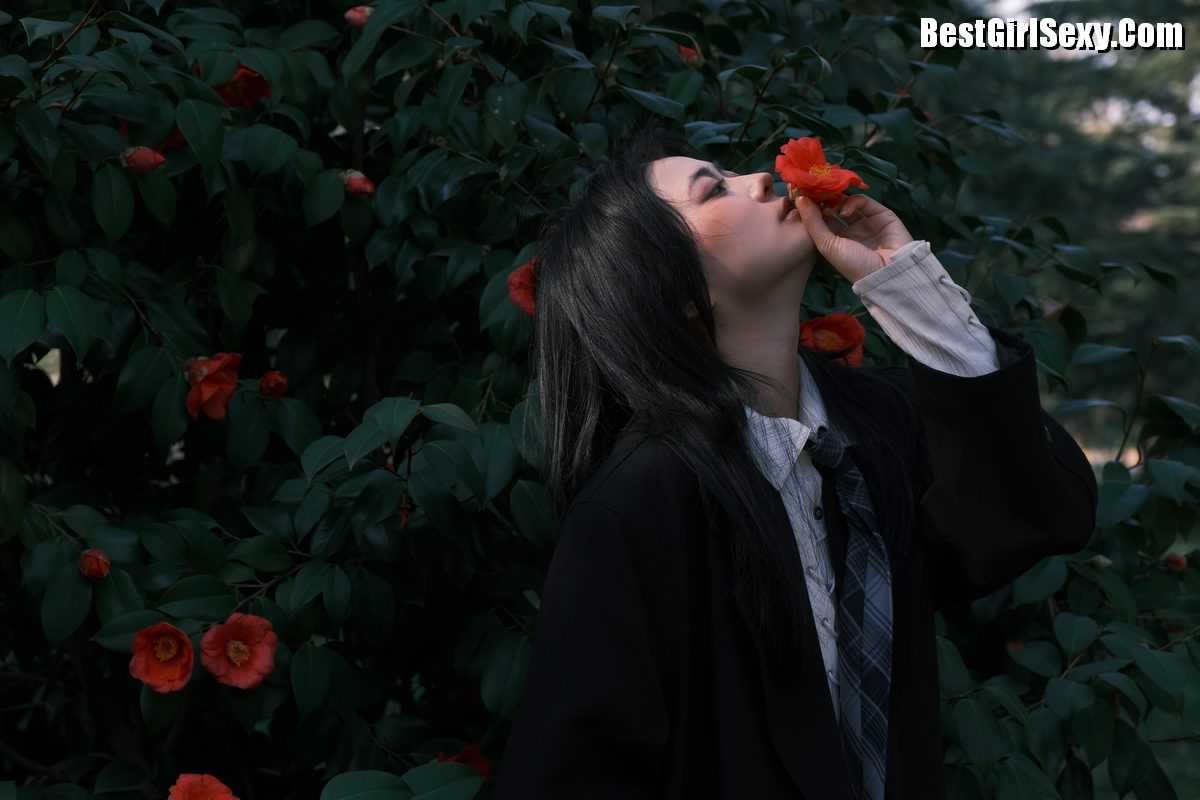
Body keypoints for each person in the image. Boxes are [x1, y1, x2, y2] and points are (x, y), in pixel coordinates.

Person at [495, 125, 1098, 799]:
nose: (759, 179)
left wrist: (911, 290)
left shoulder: (879, 426)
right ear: (675, 291)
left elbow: (1044, 510)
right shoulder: (640, 504)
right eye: (713, 190)